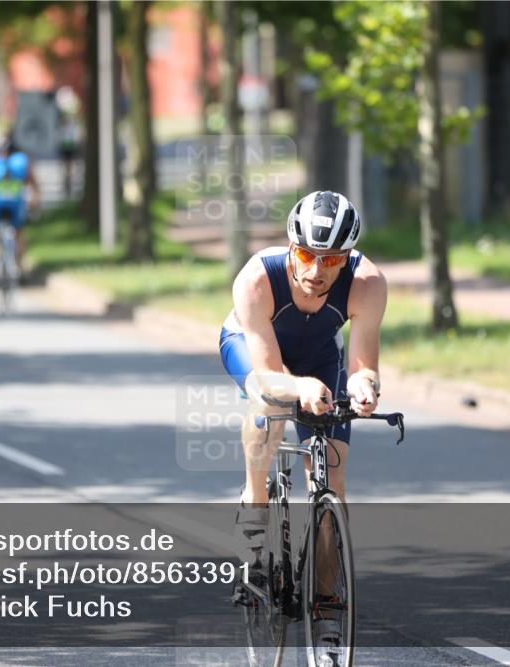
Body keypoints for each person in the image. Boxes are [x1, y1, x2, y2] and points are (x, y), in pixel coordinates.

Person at [220, 191, 386, 651]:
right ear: (291, 247)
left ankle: (328, 605)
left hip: (318, 354)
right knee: (269, 405)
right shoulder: (256, 280)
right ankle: (254, 504)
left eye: (333, 260)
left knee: (332, 474)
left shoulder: (367, 282)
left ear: (348, 257)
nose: (317, 272)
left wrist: (365, 387)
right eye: (307, 256)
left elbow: (364, 362)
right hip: (255, 352)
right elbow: (272, 374)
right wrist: (301, 389)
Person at [0, 133, 40, 279]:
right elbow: (34, 185)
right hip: (16, 204)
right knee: (19, 232)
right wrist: (34, 203)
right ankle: (19, 265)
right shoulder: (23, 162)